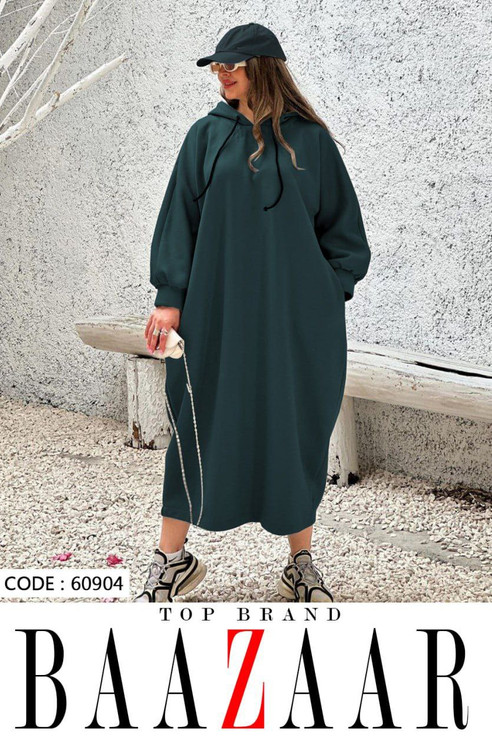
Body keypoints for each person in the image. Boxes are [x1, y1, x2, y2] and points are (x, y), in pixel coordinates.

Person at [134, 22, 371, 604]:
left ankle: (300, 564)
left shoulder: (311, 141)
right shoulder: (205, 137)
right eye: (216, 66)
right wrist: (169, 298)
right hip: (214, 316)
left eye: (231, 65)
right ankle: (171, 560)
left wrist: (325, 290)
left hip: (294, 323)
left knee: (292, 428)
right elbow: (178, 220)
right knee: (197, 423)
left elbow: (344, 234)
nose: (222, 75)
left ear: (263, 67)